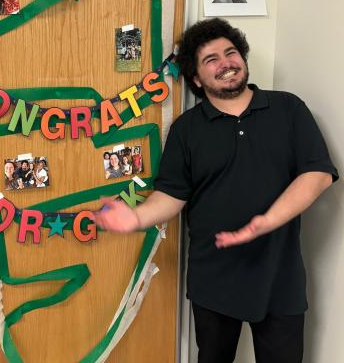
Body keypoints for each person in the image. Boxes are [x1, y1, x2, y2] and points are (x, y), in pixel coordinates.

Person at [94, 18, 338, 363]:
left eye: (231, 52)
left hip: (280, 277)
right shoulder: (186, 130)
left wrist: (265, 222)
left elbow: (317, 174)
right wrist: (136, 218)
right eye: (211, 59)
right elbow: (171, 195)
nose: (226, 63)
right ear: (196, 78)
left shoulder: (288, 108)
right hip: (214, 279)